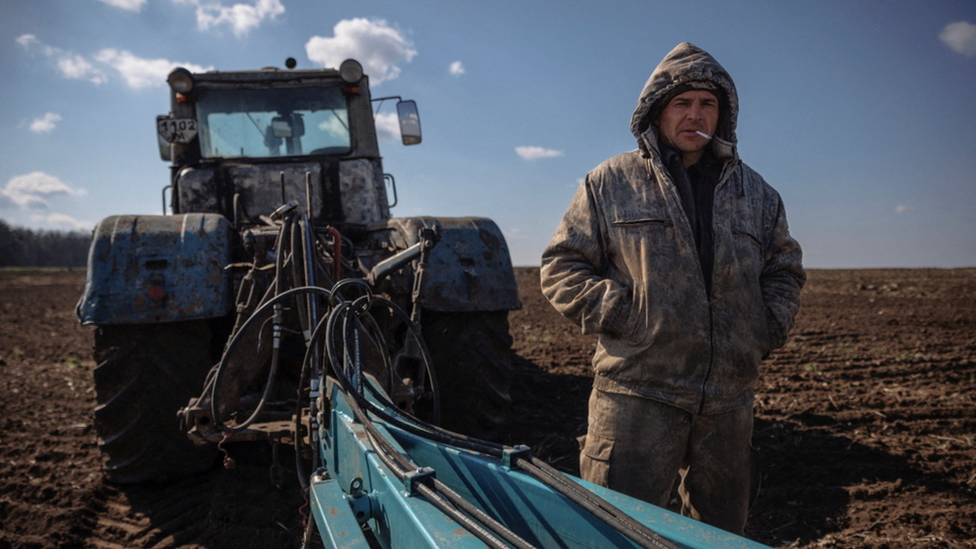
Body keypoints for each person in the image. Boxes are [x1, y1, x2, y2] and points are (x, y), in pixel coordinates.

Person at [540, 42, 805, 536]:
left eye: (707, 103)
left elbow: (785, 269)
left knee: (720, 536)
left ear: (723, 115)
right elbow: (562, 266)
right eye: (681, 103)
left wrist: (764, 326)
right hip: (637, 392)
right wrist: (629, 316)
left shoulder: (758, 194)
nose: (694, 114)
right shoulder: (610, 182)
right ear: (657, 111)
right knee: (617, 530)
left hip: (727, 401)